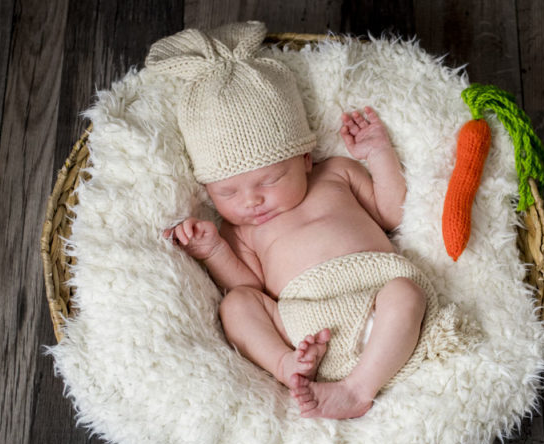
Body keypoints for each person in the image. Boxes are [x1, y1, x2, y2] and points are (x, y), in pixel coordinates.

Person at [148, 22, 472, 419]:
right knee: (237, 305)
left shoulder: (335, 173)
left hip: (374, 307)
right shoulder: (240, 229)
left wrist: (378, 153)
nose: (251, 201)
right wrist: (213, 249)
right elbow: (250, 285)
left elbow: (392, 213)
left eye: (269, 179)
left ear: (304, 158)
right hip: (302, 329)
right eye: (227, 193)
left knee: (407, 293)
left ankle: (357, 389)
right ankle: (285, 367)